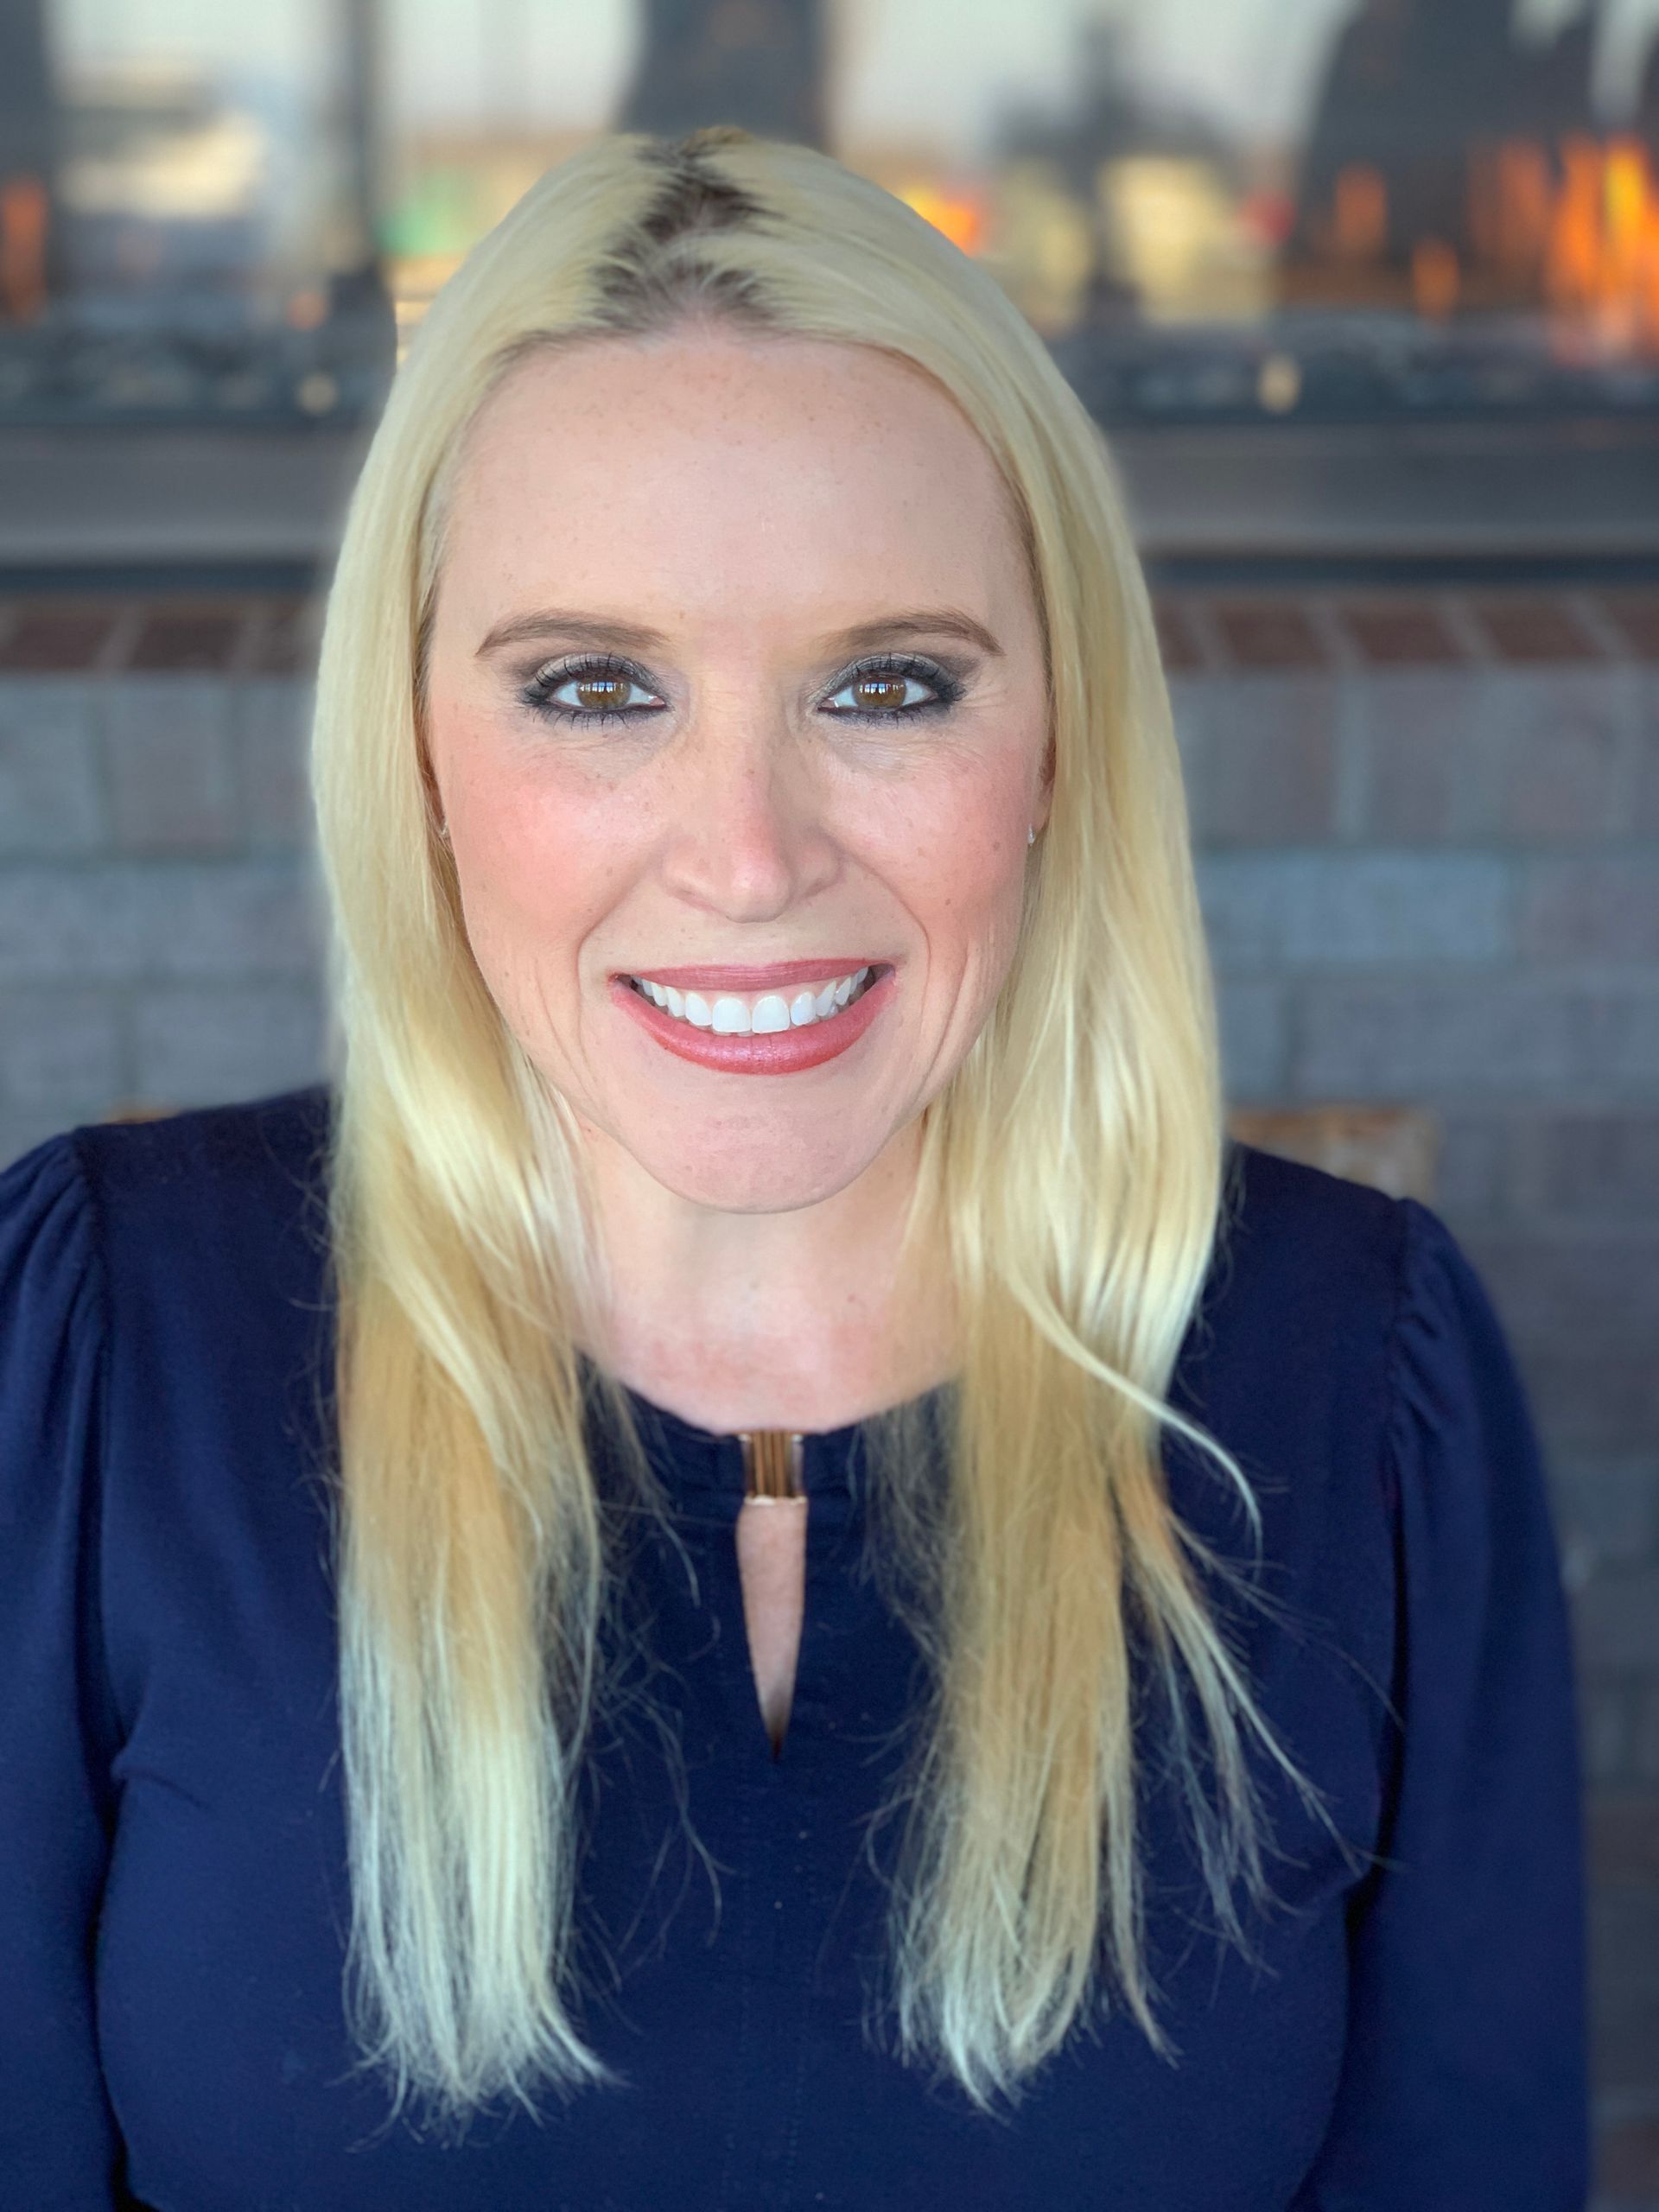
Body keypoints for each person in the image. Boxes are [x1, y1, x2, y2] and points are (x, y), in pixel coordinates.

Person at [0, 126, 1588, 2209]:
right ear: (419, 760)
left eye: (889, 684)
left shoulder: (1364, 1383)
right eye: (594, 688)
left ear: (1055, 753)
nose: (748, 856)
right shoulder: (109, 1352)